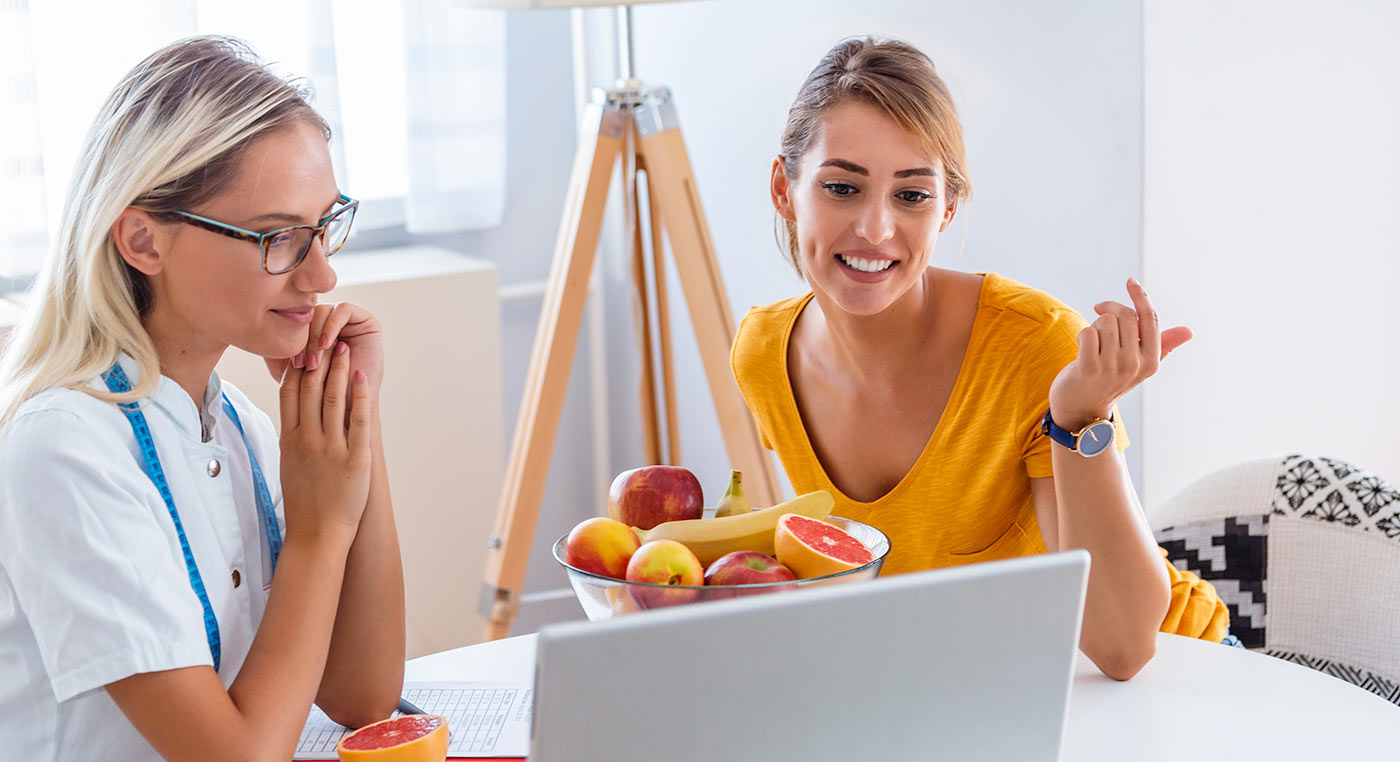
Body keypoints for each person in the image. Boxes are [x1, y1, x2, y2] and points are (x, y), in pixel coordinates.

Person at [733, 36, 1227, 680]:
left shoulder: (1035, 343)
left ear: (948, 209)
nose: (876, 230)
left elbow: (1122, 646)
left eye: (911, 195)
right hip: (973, 686)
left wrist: (1078, 415)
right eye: (841, 187)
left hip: (1176, 673)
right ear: (783, 188)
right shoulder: (763, 355)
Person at [0, 37, 405, 759]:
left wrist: (352, 421)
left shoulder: (232, 424)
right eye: (279, 237)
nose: (320, 278)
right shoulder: (62, 447)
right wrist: (315, 529)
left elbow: (362, 697)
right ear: (143, 242)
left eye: (324, 227)